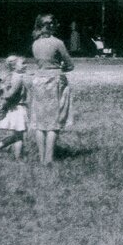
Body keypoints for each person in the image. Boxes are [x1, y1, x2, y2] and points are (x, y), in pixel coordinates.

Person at [29, 14, 74, 165]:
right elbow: (70, 65)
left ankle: (42, 158)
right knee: (54, 121)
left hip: (38, 81)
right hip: (55, 81)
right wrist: (62, 66)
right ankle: (49, 158)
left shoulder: (35, 44)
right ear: (53, 25)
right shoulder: (58, 43)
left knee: (40, 121)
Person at [0, 55, 29, 159]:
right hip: (18, 109)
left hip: (15, 108)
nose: (26, 65)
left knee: (16, 136)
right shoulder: (17, 78)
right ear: (14, 66)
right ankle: (17, 158)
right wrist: (4, 94)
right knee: (19, 136)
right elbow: (10, 94)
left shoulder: (14, 76)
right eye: (23, 63)